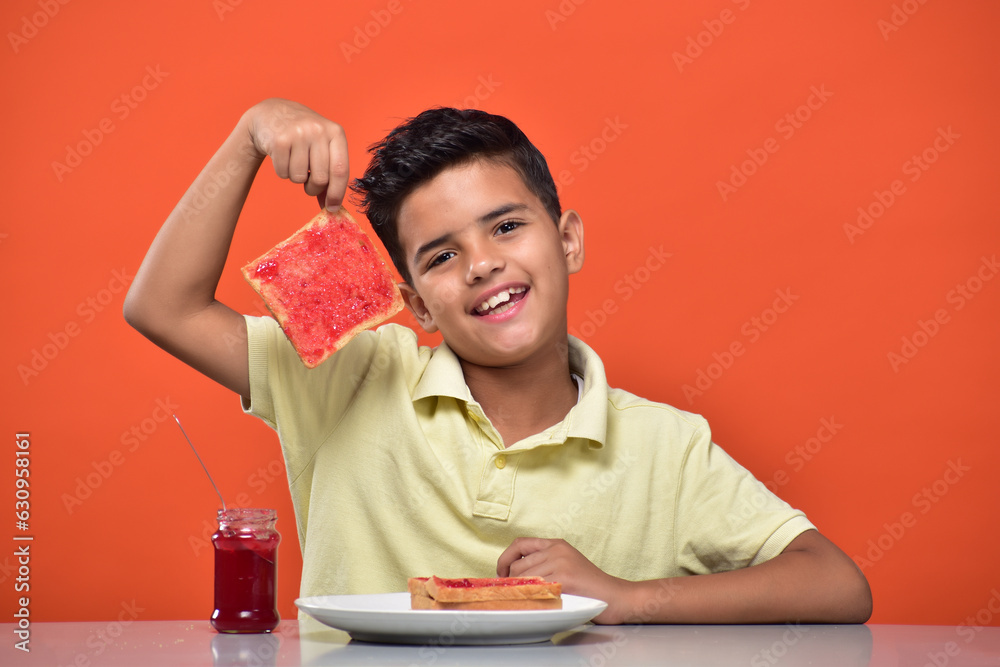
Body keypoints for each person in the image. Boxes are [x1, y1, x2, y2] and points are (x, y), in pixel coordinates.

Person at [124, 98, 872, 624]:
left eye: (506, 226)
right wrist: (254, 130)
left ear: (568, 239)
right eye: (443, 256)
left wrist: (620, 595)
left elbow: (837, 584)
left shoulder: (665, 446)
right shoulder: (351, 378)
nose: (482, 264)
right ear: (415, 304)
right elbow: (164, 306)